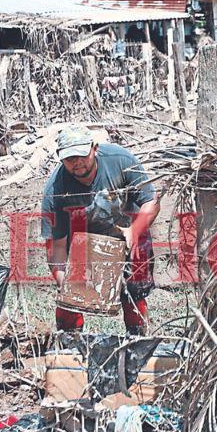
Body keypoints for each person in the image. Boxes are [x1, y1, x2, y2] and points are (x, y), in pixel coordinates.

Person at [42, 125, 160, 335]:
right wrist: (65, 284)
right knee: (69, 301)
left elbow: (151, 201)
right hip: (84, 243)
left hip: (127, 232)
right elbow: (56, 245)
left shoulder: (120, 160)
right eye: (70, 159)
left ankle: (137, 338)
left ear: (94, 148)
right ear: (60, 158)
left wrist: (134, 231)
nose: (76, 162)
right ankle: (71, 343)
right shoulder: (55, 190)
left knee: (133, 294)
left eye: (81, 155)